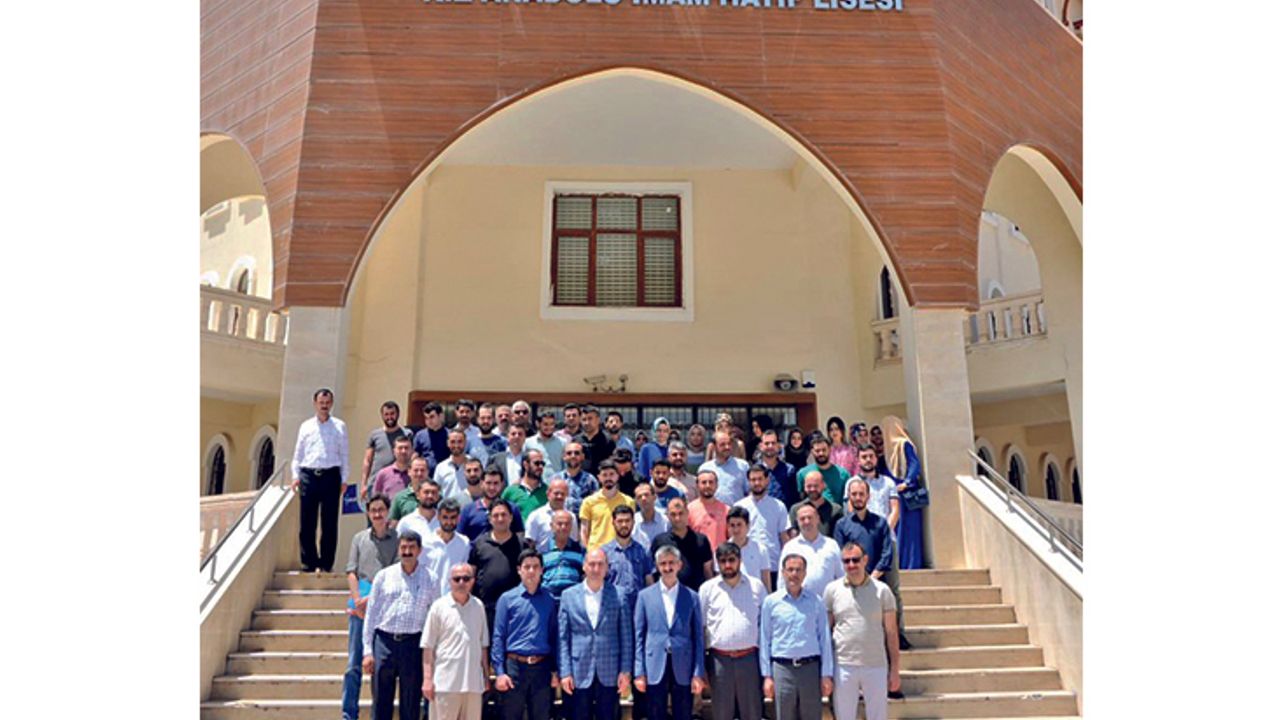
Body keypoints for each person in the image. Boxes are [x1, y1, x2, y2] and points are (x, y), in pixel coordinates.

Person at [362, 530, 439, 720]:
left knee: (411, 702)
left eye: (411, 547)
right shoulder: (383, 576)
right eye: (403, 547)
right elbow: (371, 615)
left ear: (419, 550)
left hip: (413, 644)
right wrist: (368, 651)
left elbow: (435, 618)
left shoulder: (431, 578)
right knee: (381, 701)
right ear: (398, 549)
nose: (407, 552)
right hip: (384, 642)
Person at [823, 543, 901, 720]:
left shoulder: (882, 591)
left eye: (855, 560)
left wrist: (895, 669)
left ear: (865, 560)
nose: (851, 565)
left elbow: (891, 633)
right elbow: (826, 632)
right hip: (843, 665)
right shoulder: (832, 590)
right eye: (846, 561)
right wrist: (826, 671)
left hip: (875, 664)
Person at [834, 478, 909, 656]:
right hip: (853, 580)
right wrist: (857, 576)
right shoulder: (842, 525)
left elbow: (886, 551)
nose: (858, 497)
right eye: (854, 494)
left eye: (861, 494)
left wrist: (873, 576)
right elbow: (841, 553)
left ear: (868, 496)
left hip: (878, 578)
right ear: (849, 497)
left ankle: (897, 638)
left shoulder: (880, 523)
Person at [558, 549, 634, 720]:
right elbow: (563, 638)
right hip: (578, 670)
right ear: (584, 566)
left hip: (610, 670)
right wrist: (565, 672)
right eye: (592, 564)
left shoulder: (619, 595)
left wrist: (625, 671)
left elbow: (626, 637)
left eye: (600, 564)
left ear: (607, 567)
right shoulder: (568, 596)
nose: (596, 569)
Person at [633, 546, 707, 720]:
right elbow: (639, 636)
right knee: (655, 714)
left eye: (671, 563)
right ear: (657, 566)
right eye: (663, 563)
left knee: (683, 714)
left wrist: (698, 673)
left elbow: (698, 637)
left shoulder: (692, 596)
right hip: (654, 664)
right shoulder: (644, 596)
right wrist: (639, 671)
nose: (667, 568)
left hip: (683, 665)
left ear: (679, 565)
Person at [343, 494, 400, 720]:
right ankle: (349, 714)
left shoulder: (397, 539)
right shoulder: (359, 539)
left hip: (384, 608)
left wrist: (372, 600)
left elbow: (395, 573)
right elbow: (351, 571)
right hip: (360, 608)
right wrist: (358, 600)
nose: (377, 514)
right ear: (368, 513)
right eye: (373, 510)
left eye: (381, 510)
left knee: (380, 668)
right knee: (353, 665)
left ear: (388, 512)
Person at [759, 553, 834, 720]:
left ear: (805, 573)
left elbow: (824, 640)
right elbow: (765, 640)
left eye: (799, 570)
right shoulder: (771, 602)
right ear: (783, 572)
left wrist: (826, 675)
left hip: (810, 669)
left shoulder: (816, 601)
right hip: (782, 669)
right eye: (790, 569)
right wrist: (767, 676)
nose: (794, 574)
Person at [698, 542, 767, 720]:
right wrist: (701, 666)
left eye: (731, 560)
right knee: (722, 713)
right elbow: (701, 628)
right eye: (722, 561)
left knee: (752, 712)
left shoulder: (757, 587)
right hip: (719, 661)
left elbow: (765, 626)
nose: (727, 565)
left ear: (740, 560)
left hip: (749, 659)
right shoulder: (707, 589)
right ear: (717, 563)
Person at [491, 549, 559, 720]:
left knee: (541, 716)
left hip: (542, 667)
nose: (531, 571)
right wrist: (500, 672)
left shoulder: (549, 600)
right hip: (514, 667)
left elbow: (554, 637)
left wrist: (555, 670)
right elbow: (498, 636)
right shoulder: (507, 599)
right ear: (519, 570)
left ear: (542, 570)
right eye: (527, 567)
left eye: (535, 567)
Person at [421, 563, 490, 720]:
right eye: (456, 579)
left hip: (473, 684)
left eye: (466, 578)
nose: (461, 583)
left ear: (472, 581)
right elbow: (428, 647)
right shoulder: (438, 607)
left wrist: (486, 677)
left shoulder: (478, 606)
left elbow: (483, 646)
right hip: (445, 684)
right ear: (449, 581)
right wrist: (427, 680)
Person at [291, 387, 350, 572]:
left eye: (327, 403)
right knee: (307, 521)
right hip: (308, 475)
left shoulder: (340, 426)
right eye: (321, 403)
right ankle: (309, 562)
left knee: (329, 522)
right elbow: (298, 454)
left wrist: (344, 479)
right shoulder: (306, 426)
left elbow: (344, 454)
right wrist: (295, 476)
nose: (324, 406)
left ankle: (326, 563)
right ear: (315, 403)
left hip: (331, 476)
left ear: (331, 404)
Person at [468, 499, 527, 633]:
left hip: (515, 609)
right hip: (485, 610)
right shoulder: (480, 544)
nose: (500, 519)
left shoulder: (522, 545)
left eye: (504, 515)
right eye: (496, 515)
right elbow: (472, 574)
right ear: (490, 519)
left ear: (511, 517)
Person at [733, 463, 790, 590]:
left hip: (773, 564)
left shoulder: (779, 506)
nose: (757, 483)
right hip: (746, 565)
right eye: (753, 480)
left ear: (767, 480)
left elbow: (784, 537)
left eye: (760, 479)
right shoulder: (739, 506)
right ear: (748, 482)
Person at [880, 415, 925, 570]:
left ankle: (912, 565)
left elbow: (914, 464)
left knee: (910, 531)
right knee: (898, 530)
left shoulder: (904, 444)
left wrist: (907, 482)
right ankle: (900, 564)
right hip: (895, 495)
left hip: (907, 495)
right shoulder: (888, 450)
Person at [648, 497, 714, 590]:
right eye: (673, 514)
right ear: (667, 516)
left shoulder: (701, 540)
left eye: (681, 513)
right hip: (668, 594)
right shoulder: (660, 541)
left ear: (687, 513)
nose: (677, 518)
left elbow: (707, 571)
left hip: (696, 593)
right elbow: (652, 572)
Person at [780, 503, 842, 596]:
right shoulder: (790, 547)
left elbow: (841, 576)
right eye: (802, 519)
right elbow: (782, 580)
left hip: (827, 602)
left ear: (818, 519)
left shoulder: (831, 545)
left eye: (810, 517)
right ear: (797, 521)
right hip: (798, 602)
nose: (806, 521)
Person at [362, 401, 415, 505]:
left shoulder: (407, 434)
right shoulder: (375, 435)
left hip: (400, 481)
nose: (389, 417)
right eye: (386, 414)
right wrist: (364, 484)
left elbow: (412, 456)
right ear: (382, 415)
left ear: (398, 414)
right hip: (375, 482)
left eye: (392, 414)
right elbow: (367, 460)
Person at [579, 459, 636, 551]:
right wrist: (587, 552)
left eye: (611, 474)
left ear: (617, 476)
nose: (608, 478)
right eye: (604, 475)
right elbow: (584, 531)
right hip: (596, 552)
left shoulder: (628, 502)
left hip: (619, 552)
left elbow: (631, 529)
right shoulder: (588, 502)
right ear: (599, 477)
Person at [459, 468, 526, 541]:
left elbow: (519, 534)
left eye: (496, 483)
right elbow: (460, 538)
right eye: (488, 483)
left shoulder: (512, 509)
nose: (492, 487)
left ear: (502, 484)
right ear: (481, 484)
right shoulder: (468, 510)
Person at [426, 498, 472, 598]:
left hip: (454, 599)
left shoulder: (464, 543)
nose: (449, 522)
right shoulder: (426, 542)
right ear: (438, 517)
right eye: (445, 517)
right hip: (429, 599)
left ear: (458, 518)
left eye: (453, 517)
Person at [539, 510, 586, 599]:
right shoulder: (542, 550)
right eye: (559, 524)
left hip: (573, 599)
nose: (563, 527)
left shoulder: (580, 550)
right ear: (552, 526)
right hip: (548, 599)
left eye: (567, 524)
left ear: (571, 526)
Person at [796, 434, 851, 506]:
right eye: (817, 451)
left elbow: (847, 501)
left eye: (824, 450)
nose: (821, 453)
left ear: (830, 449)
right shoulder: (802, 474)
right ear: (812, 451)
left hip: (836, 512)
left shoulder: (843, 474)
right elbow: (800, 500)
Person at [524, 478, 580, 547]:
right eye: (556, 493)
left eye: (562, 494)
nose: (559, 496)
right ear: (548, 494)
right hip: (541, 553)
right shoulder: (535, 516)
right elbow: (530, 543)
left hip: (566, 553)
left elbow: (574, 540)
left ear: (567, 495)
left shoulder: (571, 517)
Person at [698, 431, 749, 505]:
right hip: (712, 510)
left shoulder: (742, 466)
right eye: (722, 444)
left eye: (729, 444)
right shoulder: (705, 468)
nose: (727, 447)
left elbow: (749, 491)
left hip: (736, 510)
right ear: (714, 446)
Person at [547, 442, 598, 517]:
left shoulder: (590, 480)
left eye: (577, 453)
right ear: (564, 457)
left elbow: (595, 506)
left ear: (582, 456)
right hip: (559, 521)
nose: (573, 456)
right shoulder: (555, 479)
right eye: (569, 453)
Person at [788, 471, 843, 538]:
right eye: (809, 486)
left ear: (824, 485)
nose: (812, 489)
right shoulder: (796, 509)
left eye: (816, 486)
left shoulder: (836, 510)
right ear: (804, 487)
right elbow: (793, 535)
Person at [725, 506, 770, 588]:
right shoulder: (721, 552)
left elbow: (766, 583)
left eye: (739, 525)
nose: (736, 529)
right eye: (732, 525)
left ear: (748, 526)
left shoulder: (760, 550)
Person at [500, 449, 549, 521]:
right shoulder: (510, 491)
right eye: (537, 463)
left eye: (542, 464)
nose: (540, 467)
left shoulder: (548, 492)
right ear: (525, 465)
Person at [687, 470, 730, 547]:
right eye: (704, 482)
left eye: (711, 482)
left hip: (720, 553)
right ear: (697, 485)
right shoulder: (689, 510)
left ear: (716, 485)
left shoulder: (726, 510)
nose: (707, 486)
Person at [757, 430, 799, 508]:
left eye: (773, 443)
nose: (770, 446)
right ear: (761, 446)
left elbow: (795, 499)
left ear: (779, 446)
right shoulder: (755, 472)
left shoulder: (789, 470)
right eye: (767, 443)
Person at [433, 430, 473, 504]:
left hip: (469, 508)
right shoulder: (441, 467)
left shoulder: (473, 465)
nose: (456, 445)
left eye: (460, 442)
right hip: (448, 509)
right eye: (453, 442)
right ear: (447, 443)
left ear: (465, 443)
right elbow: (436, 491)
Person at [371, 435, 415, 500]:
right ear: (393, 451)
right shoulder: (383, 474)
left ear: (412, 451)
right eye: (400, 448)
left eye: (406, 448)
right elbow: (375, 501)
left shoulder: (417, 473)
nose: (403, 451)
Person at [575, 405, 615, 476]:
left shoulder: (607, 440)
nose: (587, 422)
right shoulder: (576, 440)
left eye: (590, 419)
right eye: (584, 419)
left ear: (598, 420)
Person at [390, 457, 431, 524]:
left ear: (428, 472)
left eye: (422, 470)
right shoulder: (399, 497)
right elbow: (394, 524)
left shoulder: (436, 496)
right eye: (416, 470)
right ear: (409, 472)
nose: (419, 473)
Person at [413, 401, 450, 474]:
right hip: (425, 475)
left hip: (445, 474)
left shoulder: (450, 435)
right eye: (426, 418)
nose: (429, 421)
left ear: (440, 416)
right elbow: (415, 456)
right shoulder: (420, 435)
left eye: (432, 417)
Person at [525, 410, 567, 475]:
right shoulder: (528, 443)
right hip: (536, 480)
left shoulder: (563, 443)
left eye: (552, 424)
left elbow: (566, 466)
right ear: (538, 424)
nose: (549, 427)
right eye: (545, 424)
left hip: (557, 480)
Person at [632, 483, 670, 550]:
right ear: (636, 501)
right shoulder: (632, 522)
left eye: (646, 495)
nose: (643, 498)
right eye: (639, 497)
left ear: (654, 497)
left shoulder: (666, 520)